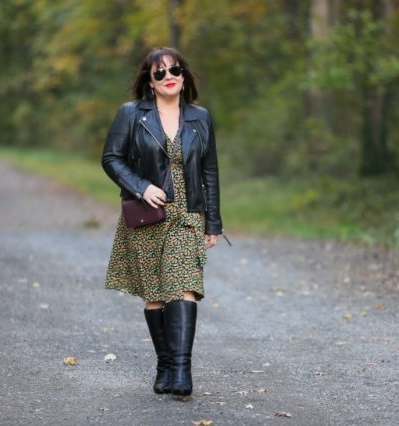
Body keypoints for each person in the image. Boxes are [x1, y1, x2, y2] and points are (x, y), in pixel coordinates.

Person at [101, 47, 223, 397]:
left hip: (188, 214)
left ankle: (182, 371)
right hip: (148, 213)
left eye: (175, 70)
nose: (168, 76)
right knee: (155, 294)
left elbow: (210, 170)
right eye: (159, 73)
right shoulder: (131, 115)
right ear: (150, 82)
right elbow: (111, 159)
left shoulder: (200, 117)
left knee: (183, 285)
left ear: (184, 77)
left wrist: (212, 221)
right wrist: (140, 186)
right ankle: (165, 363)